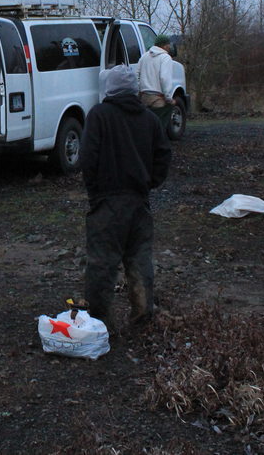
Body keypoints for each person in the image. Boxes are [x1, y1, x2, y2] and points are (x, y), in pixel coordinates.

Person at [80, 65, 171, 333]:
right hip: (139, 202)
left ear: (109, 88)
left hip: (107, 202)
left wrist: (95, 191)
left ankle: (97, 321)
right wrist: (150, 183)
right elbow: (163, 155)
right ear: (135, 89)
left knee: (102, 262)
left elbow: (87, 157)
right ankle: (143, 315)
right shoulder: (150, 119)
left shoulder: (99, 115)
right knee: (140, 258)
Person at [136, 34, 179, 130]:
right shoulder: (165, 58)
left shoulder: (144, 56)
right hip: (158, 99)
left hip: (144, 96)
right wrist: (169, 98)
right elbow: (164, 78)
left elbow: (136, 74)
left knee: (146, 126)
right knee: (158, 127)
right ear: (164, 45)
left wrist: (140, 89)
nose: (169, 46)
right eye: (168, 44)